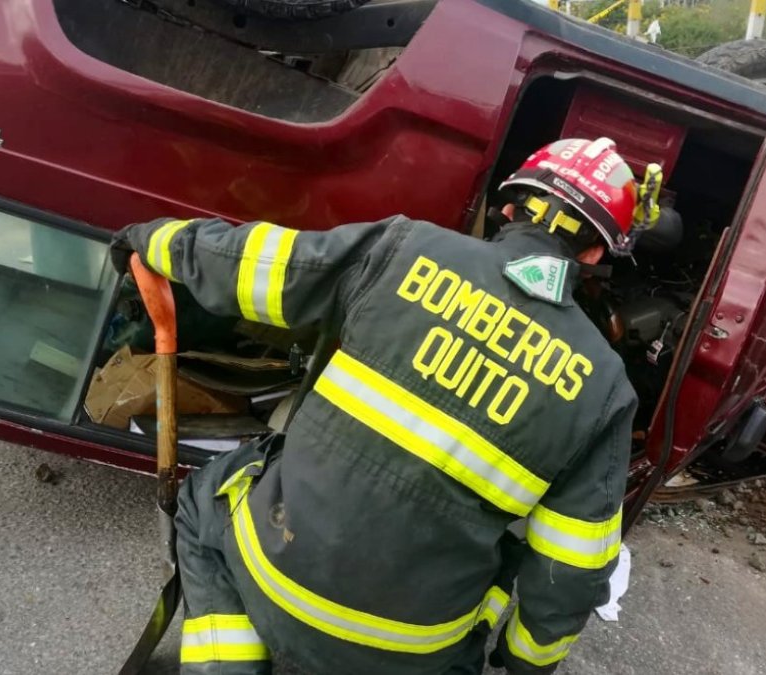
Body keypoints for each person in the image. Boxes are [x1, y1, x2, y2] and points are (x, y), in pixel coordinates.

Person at [110, 137, 645, 675]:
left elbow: (252, 265)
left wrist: (149, 240)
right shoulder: (605, 389)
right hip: (413, 653)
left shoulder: (404, 248)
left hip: (273, 575)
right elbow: (571, 570)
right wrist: (528, 661)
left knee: (206, 496)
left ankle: (229, 665)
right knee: (513, 557)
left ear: (508, 208)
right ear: (595, 254)